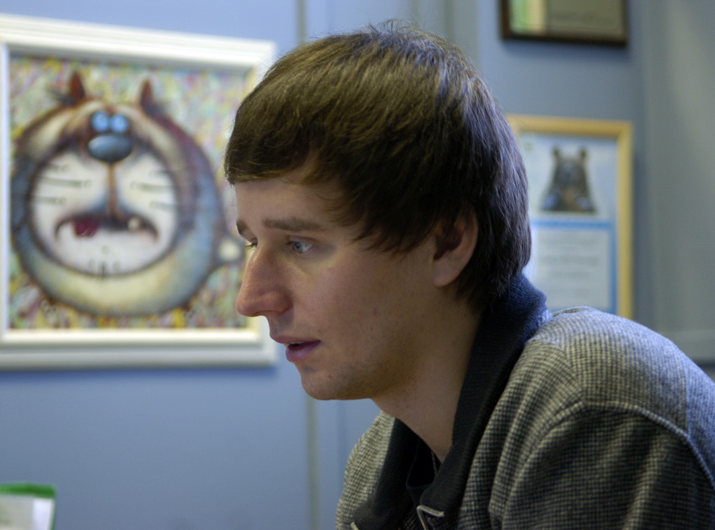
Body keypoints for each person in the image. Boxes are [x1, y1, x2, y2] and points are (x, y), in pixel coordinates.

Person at [224, 22, 715, 529]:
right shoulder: (376, 463)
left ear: (446, 242)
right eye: (253, 242)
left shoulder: (590, 406)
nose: (251, 299)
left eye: (300, 244)